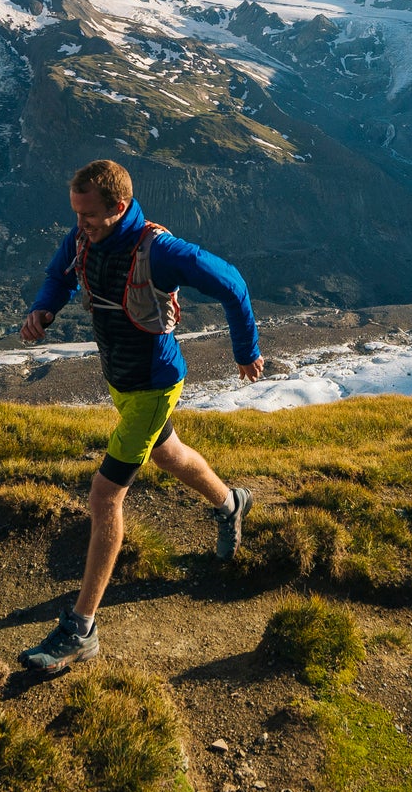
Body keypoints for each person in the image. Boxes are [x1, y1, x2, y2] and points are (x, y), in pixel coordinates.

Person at [17, 158, 263, 674]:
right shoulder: (84, 238)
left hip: (153, 385)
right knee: (168, 453)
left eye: (87, 216)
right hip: (122, 381)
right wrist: (44, 308)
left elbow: (233, 283)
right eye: (76, 213)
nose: (77, 224)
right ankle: (229, 503)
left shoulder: (162, 251)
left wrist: (245, 350)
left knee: (105, 495)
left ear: (119, 207)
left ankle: (81, 629)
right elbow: (59, 275)